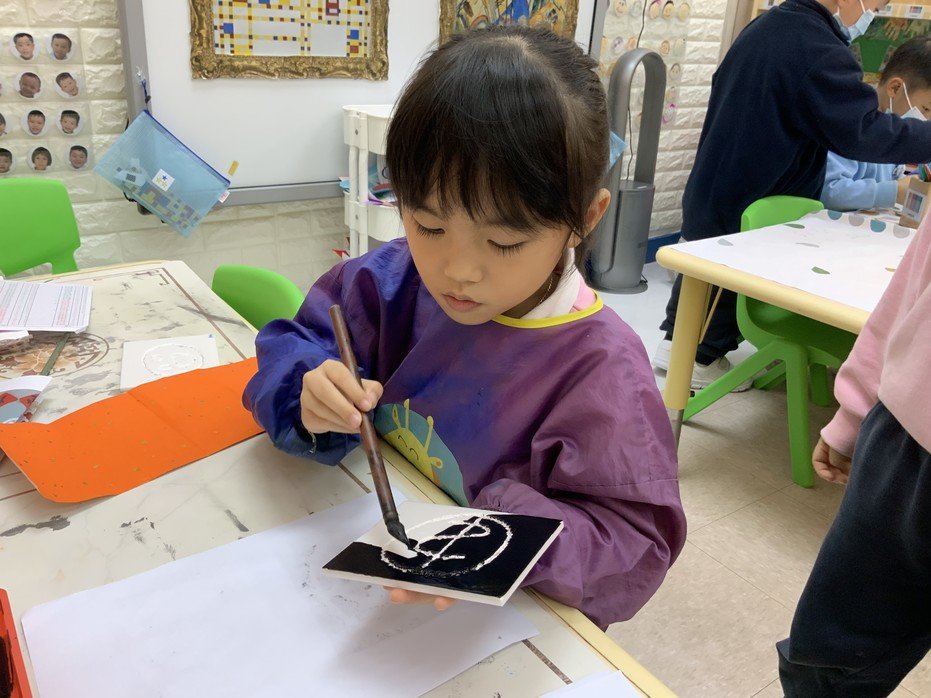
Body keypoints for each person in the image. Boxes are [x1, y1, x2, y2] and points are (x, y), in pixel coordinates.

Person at [243, 26, 686, 628]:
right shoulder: (390, 282)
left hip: (500, 628)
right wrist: (307, 386)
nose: (458, 271)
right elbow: (298, 342)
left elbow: (632, 545)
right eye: (428, 226)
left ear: (585, 218)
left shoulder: (603, 372)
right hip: (358, 584)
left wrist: (508, 535)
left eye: (503, 241)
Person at [652, 0, 931, 390]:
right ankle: (698, 358)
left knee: (713, 270)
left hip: (724, 177)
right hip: (751, 189)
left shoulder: (773, 25)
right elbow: (862, 132)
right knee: (725, 279)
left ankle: (683, 344)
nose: (873, 12)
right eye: (877, 3)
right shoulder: (816, 47)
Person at [776, 213, 931, 695]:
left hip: (907, 441)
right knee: (828, 656)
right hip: (908, 446)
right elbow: (913, 284)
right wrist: (855, 410)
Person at [822, 36, 931, 211]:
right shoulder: (851, 119)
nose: (927, 122)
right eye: (926, 108)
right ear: (895, 88)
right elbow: (829, 192)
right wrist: (895, 192)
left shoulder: (894, 134)